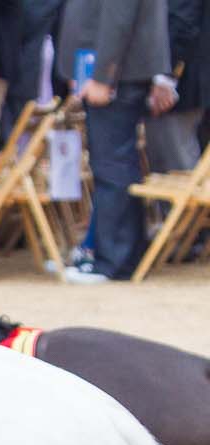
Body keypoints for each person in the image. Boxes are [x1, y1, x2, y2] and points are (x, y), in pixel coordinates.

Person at [57, 0, 173, 281]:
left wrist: (103, 76)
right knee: (113, 163)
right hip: (114, 69)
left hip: (116, 72)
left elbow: (119, 15)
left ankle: (114, 261)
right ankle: (121, 255)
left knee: (112, 165)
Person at [146, 0, 205, 173]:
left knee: (177, 171)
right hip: (173, 75)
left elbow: (182, 20)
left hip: (179, 82)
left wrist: (165, 78)